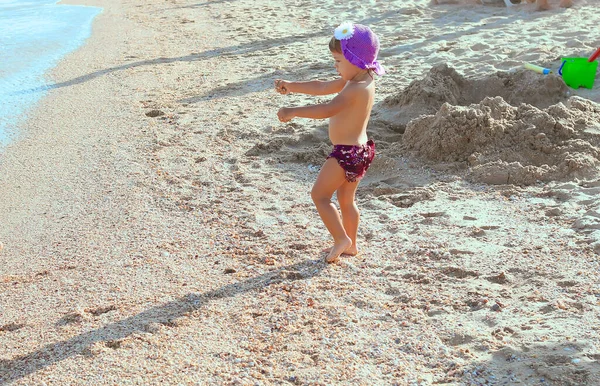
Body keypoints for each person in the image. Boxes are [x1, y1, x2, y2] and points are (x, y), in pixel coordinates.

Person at [275, 22, 384, 264]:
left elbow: (328, 109)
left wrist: (293, 111)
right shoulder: (362, 78)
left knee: (320, 196)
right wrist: (292, 86)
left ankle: (341, 239)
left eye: (338, 61)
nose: (335, 67)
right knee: (346, 200)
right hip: (362, 151)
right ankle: (352, 245)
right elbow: (322, 87)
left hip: (346, 153)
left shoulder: (355, 88)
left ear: (355, 59)